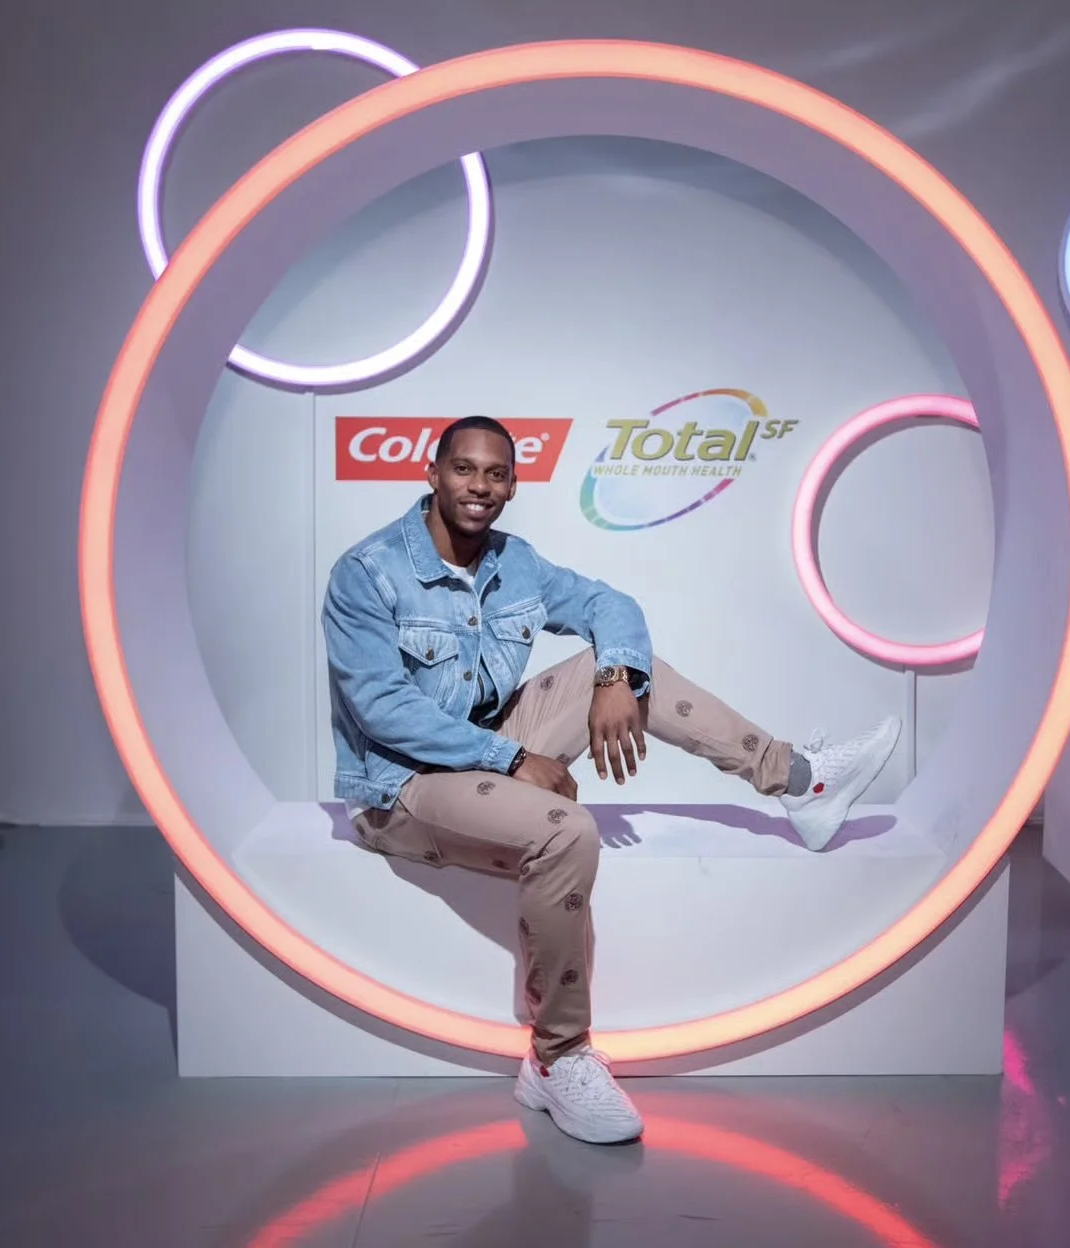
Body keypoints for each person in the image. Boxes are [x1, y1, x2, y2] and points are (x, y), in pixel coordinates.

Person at [322, 415, 901, 1145]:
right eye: (464, 470)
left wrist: (614, 676)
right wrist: (510, 760)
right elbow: (382, 709)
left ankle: (798, 781)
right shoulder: (368, 571)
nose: (480, 487)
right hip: (401, 788)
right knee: (567, 832)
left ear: (512, 485)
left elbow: (608, 605)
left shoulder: (514, 562)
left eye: (496, 474)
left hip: (484, 747)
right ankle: (557, 1057)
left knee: (634, 673)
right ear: (433, 475)